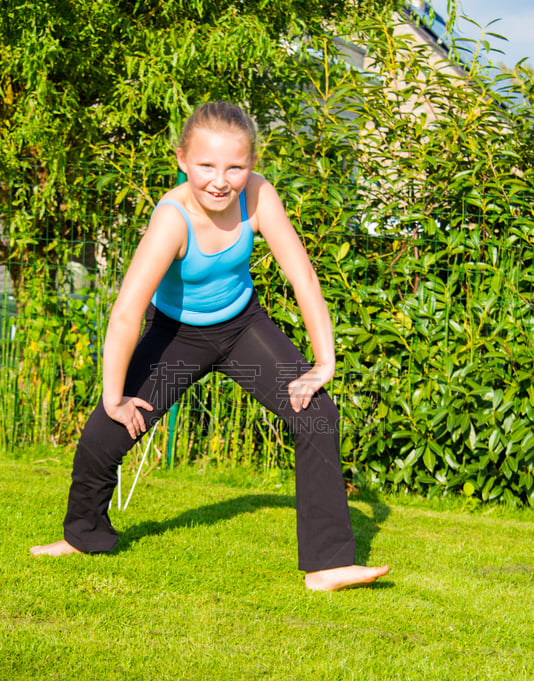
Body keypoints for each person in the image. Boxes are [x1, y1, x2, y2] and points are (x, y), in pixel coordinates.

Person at [30, 101, 389, 591]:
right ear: (182, 159)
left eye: (235, 167)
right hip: (175, 336)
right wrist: (113, 397)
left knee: (317, 414)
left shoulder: (259, 196)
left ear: (252, 165)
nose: (220, 180)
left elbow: (300, 273)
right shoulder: (171, 220)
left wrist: (324, 361)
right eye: (206, 166)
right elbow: (126, 312)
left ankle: (327, 565)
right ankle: (84, 536)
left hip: (243, 328)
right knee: (103, 434)